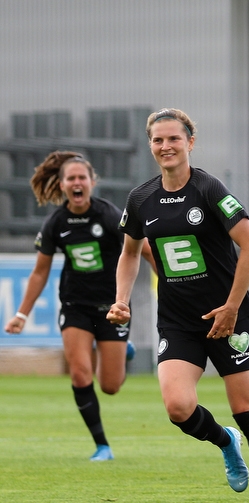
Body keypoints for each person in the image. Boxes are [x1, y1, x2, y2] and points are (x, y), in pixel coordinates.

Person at [106, 108, 249, 503]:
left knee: (247, 411)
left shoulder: (210, 190)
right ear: (150, 145)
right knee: (177, 407)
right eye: (158, 140)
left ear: (190, 143)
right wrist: (122, 300)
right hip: (177, 319)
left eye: (174, 139)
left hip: (228, 317)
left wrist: (231, 307)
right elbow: (130, 253)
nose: (166, 146)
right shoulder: (140, 198)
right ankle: (226, 442)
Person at [4, 151, 153, 461]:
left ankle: (123, 350)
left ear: (92, 182)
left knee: (110, 386)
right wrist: (21, 314)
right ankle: (102, 445)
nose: (77, 183)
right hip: (75, 305)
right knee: (80, 374)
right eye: (71, 178)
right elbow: (40, 271)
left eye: (81, 178)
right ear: (62, 185)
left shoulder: (110, 215)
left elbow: (144, 250)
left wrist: (169, 281)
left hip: (113, 308)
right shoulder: (56, 223)